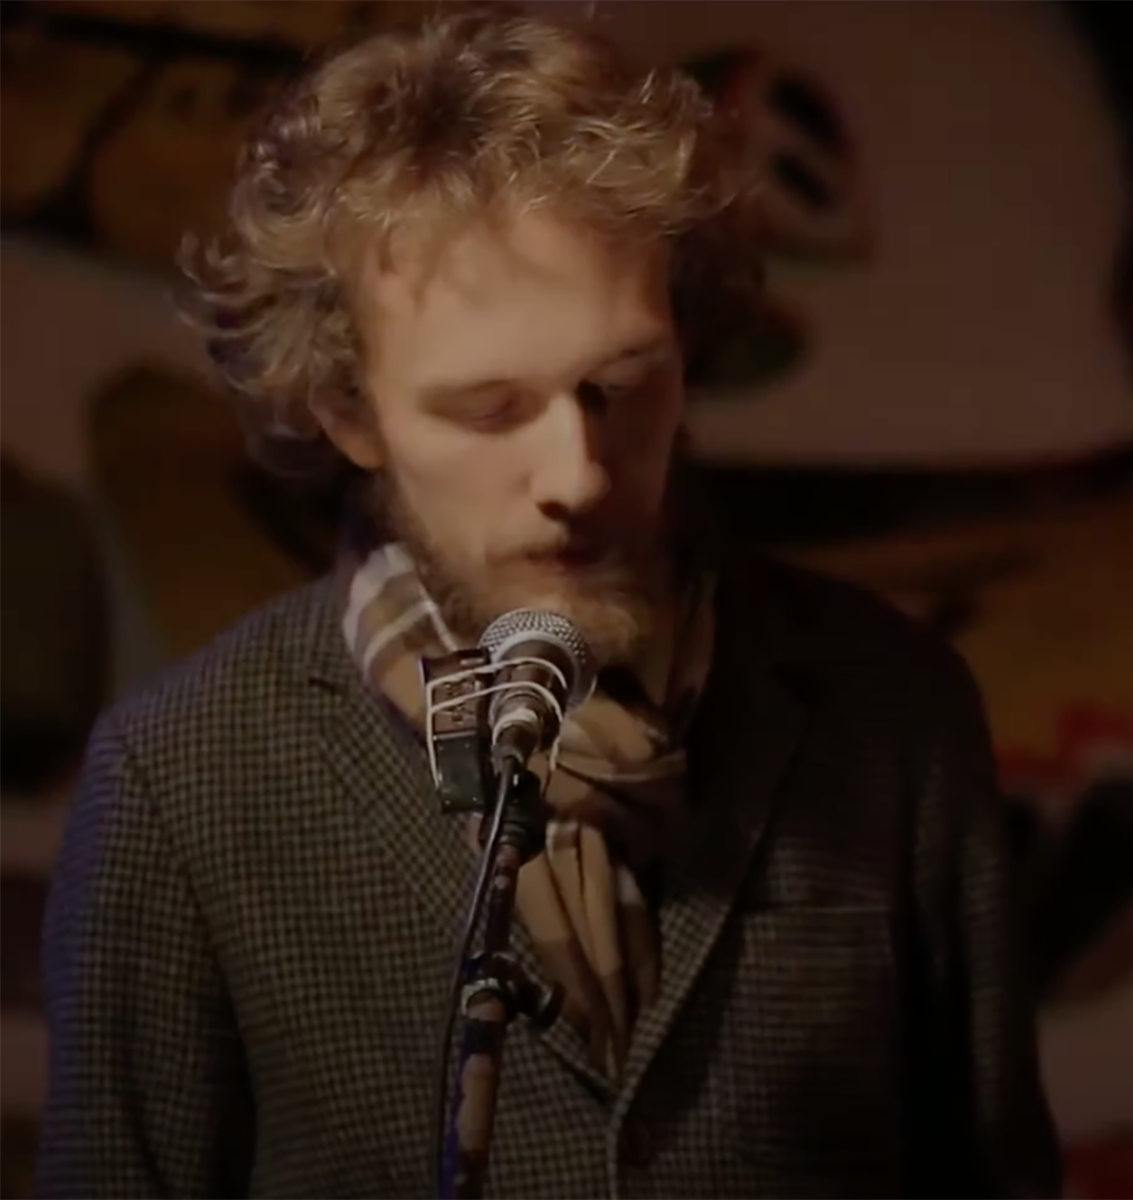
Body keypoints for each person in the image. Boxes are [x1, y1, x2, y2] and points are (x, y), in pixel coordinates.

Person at [35, 7, 1062, 1198]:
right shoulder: (185, 781)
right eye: (489, 411)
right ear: (346, 409)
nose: (577, 474)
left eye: (621, 386)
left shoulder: (893, 712)